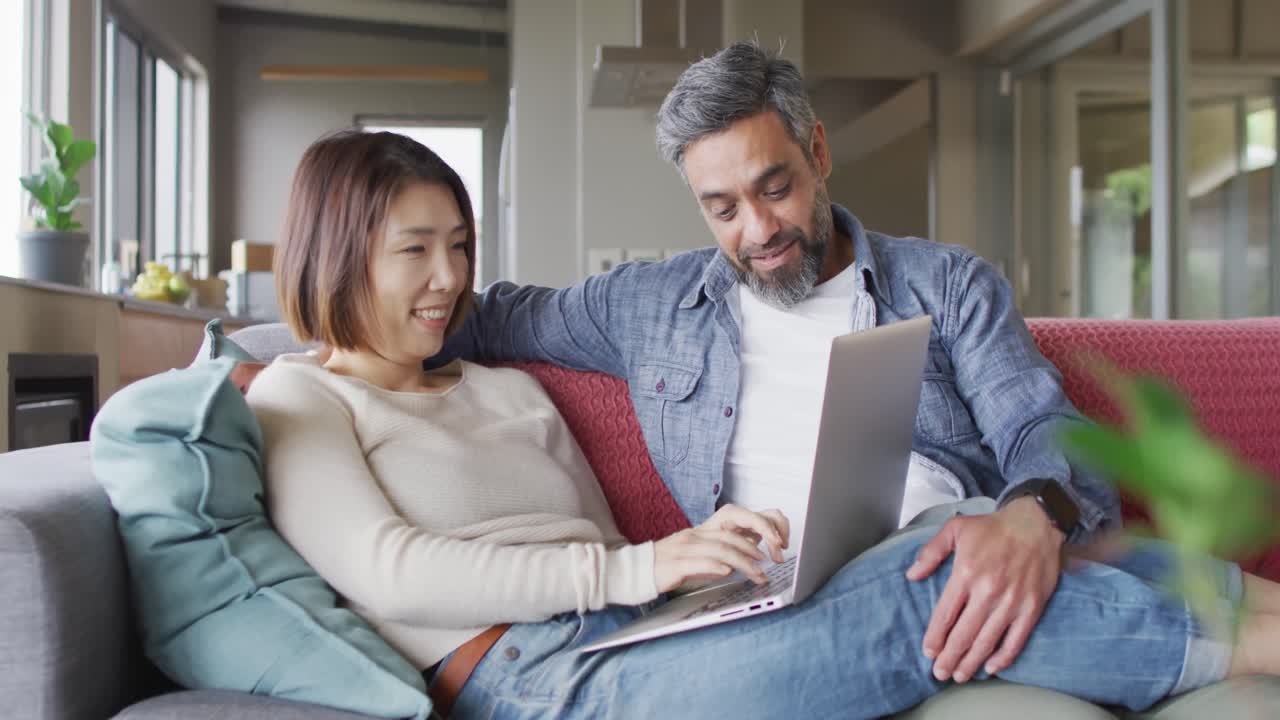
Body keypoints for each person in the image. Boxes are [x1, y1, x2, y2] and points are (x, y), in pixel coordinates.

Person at [244, 127, 1280, 720]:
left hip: (639, 629)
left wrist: (702, 573)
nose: (449, 278)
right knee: (924, 593)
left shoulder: (492, 378)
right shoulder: (298, 398)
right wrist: (644, 565)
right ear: (337, 253)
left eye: (460, 245)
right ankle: (1252, 641)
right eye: (414, 251)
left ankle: (1252, 613)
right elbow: (390, 572)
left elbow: (508, 326)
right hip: (536, 682)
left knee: (945, 536)